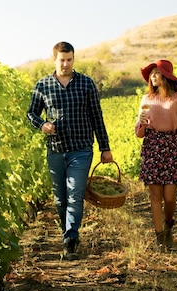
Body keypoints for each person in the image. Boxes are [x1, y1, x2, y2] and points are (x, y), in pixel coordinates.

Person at [27, 41, 113, 259]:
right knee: (60, 199)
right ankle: (67, 232)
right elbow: (31, 114)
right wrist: (42, 125)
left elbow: (97, 117)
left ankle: (71, 239)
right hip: (55, 150)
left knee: (75, 194)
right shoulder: (43, 85)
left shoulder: (86, 84)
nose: (65, 64)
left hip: (81, 149)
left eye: (69, 59)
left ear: (74, 59)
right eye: (62, 60)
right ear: (54, 59)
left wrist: (105, 147)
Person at [135, 59, 177, 252]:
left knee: (170, 197)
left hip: (171, 148)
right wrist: (142, 122)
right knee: (155, 195)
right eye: (151, 73)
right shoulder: (146, 100)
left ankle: (169, 223)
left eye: (157, 73)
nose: (153, 76)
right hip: (152, 146)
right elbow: (139, 132)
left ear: (166, 76)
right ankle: (160, 236)